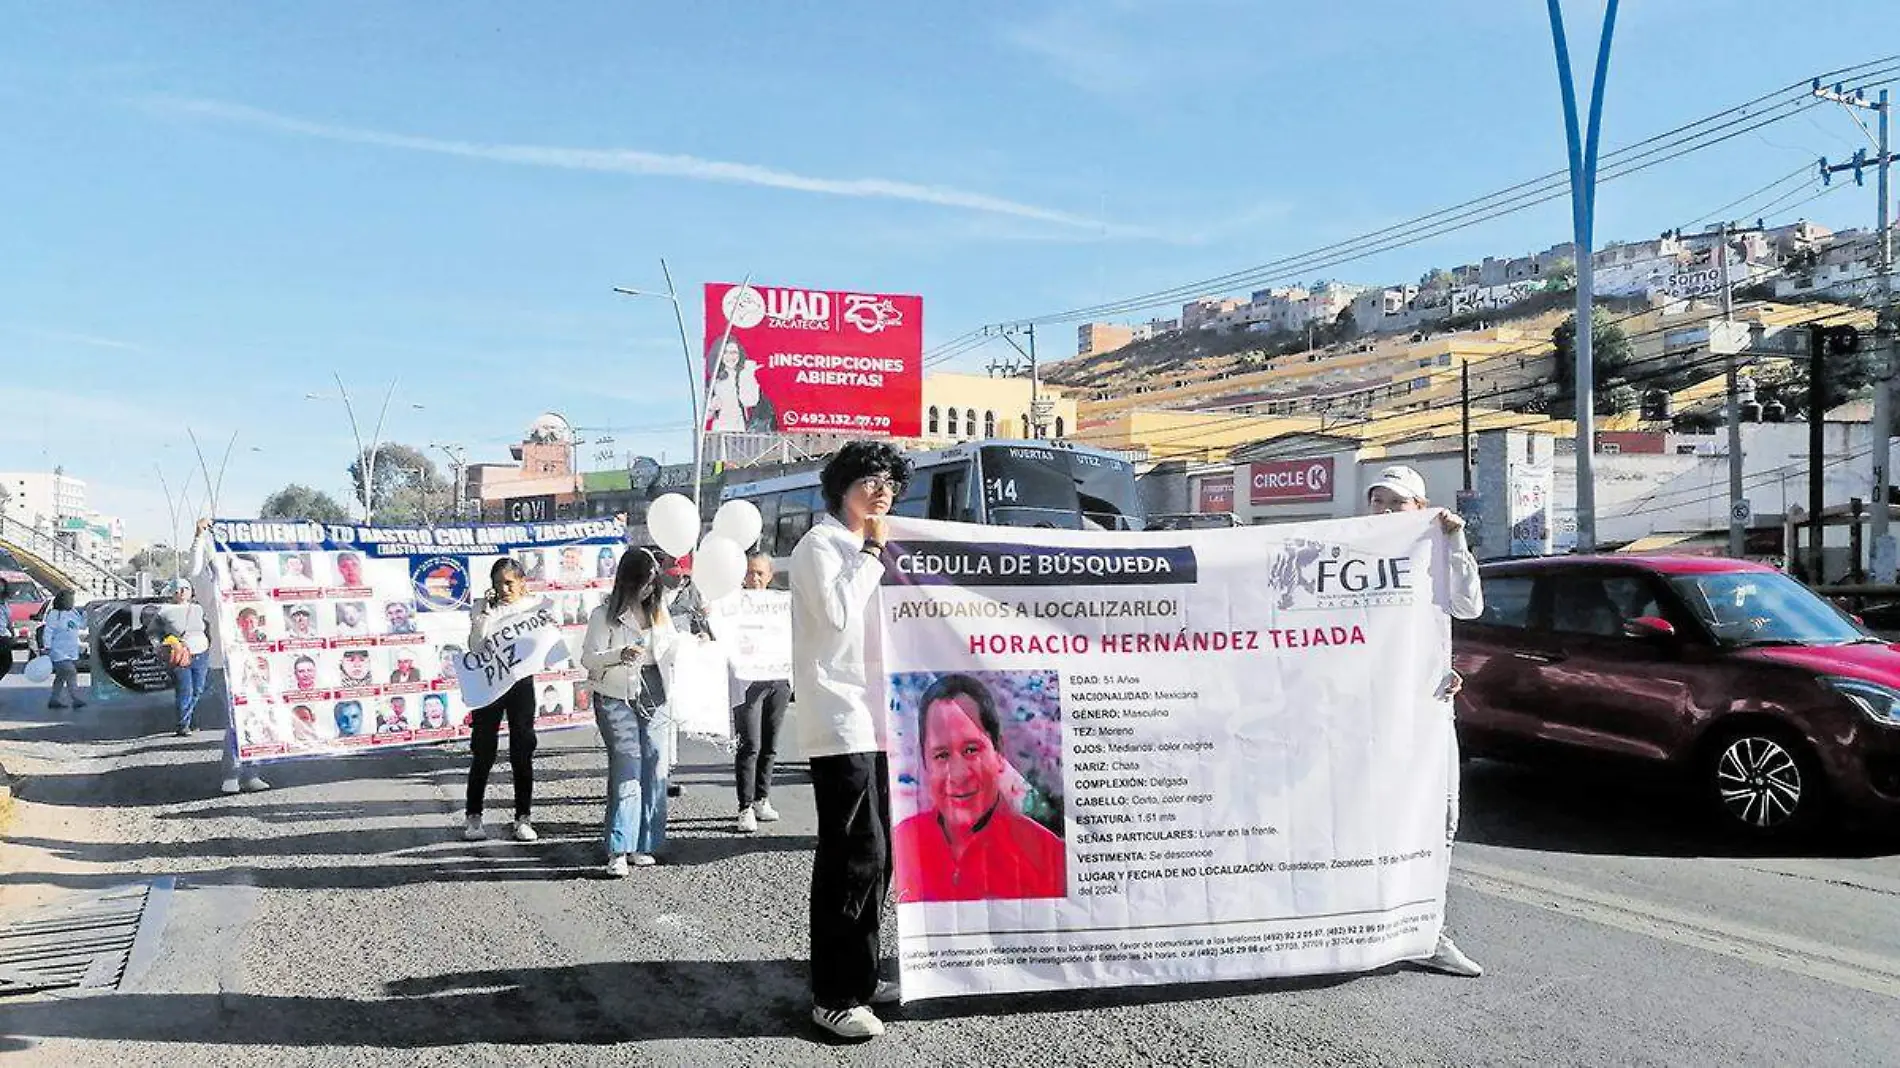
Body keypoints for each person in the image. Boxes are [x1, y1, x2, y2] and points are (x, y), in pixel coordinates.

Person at [792, 440, 911, 1039]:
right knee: (850, 857)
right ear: (841, 486)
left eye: (889, 480)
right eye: (868, 478)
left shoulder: (880, 548)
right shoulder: (820, 545)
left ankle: (860, 976)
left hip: (881, 717)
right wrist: (870, 551)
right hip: (840, 720)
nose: (880, 489)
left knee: (879, 857)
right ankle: (832, 995)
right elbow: (837, 614)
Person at [1365, 464, 1485, 979]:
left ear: (1421, 508)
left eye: (1398, 503)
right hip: (1367, 714)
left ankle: (1425, 932)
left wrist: (1455, 543)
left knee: (1441, 818)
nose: (1388, 512)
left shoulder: (1438, 554)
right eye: (1379, 503)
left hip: (1428, 712)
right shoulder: (1352, 556)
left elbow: (1467, 606)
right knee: (1371, 822)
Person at [890, 674, 1066, 903]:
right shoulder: (904, 842)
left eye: (971, 750)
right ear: (925, 763)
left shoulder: (1048, 857)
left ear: (999, 751)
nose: (959, 774)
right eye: (941, 755)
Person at [580, 546, 682, 876]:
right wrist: (618, 654)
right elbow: (589, 659)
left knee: (655, 765)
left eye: (654, 581)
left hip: (655, 689)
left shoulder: (660, 609)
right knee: (627, 768)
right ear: (628, 581)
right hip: (615, 693)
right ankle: (618, 848)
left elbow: (673, 646)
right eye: (644, 581)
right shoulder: (603, 614)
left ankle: (645, 843)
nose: (650, 588)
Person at [463, 558, 541, 844]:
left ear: (522, 583)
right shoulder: (482, 608)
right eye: (498, 584)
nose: (504, 589)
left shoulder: (533, 608)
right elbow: (475, 646)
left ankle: (523, 817)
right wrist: (484, 614)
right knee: (483, 750)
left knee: (522, 750)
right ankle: (473, 816)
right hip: (489, 684)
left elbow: (542, 645)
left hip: (521, 683)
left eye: (509, 583)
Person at [730, 553, 789, 834]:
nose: (755, 579)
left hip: (778, 679)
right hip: (748, 682)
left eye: (760, 574)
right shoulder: (733, 604)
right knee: (749, 745)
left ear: (770, 575)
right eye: (750, 573)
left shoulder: (781, 603)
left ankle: (761, 799)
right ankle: (744, 807)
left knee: (771, 744)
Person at [705, 337, 772, 432]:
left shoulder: (744, 375)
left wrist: (748, 374)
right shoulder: (713, 381)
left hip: (740, 428)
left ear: (740, 354)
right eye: (726, 352)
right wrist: (712, 407)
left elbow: (750, 401)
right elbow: (706, 416)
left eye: (734, 352)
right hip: (719, 429)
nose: (730, 356)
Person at [42, 590, 87, 710]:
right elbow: (48, 630)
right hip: (58, 651)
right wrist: (47, 647)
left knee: (61, 677)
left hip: (71, 650)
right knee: (71, 672)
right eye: (70, 599)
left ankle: (54, 699)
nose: (72, 602)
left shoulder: (73, 613)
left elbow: (81, 625)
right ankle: (75, 698)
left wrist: (87, 614)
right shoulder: (54, 614)